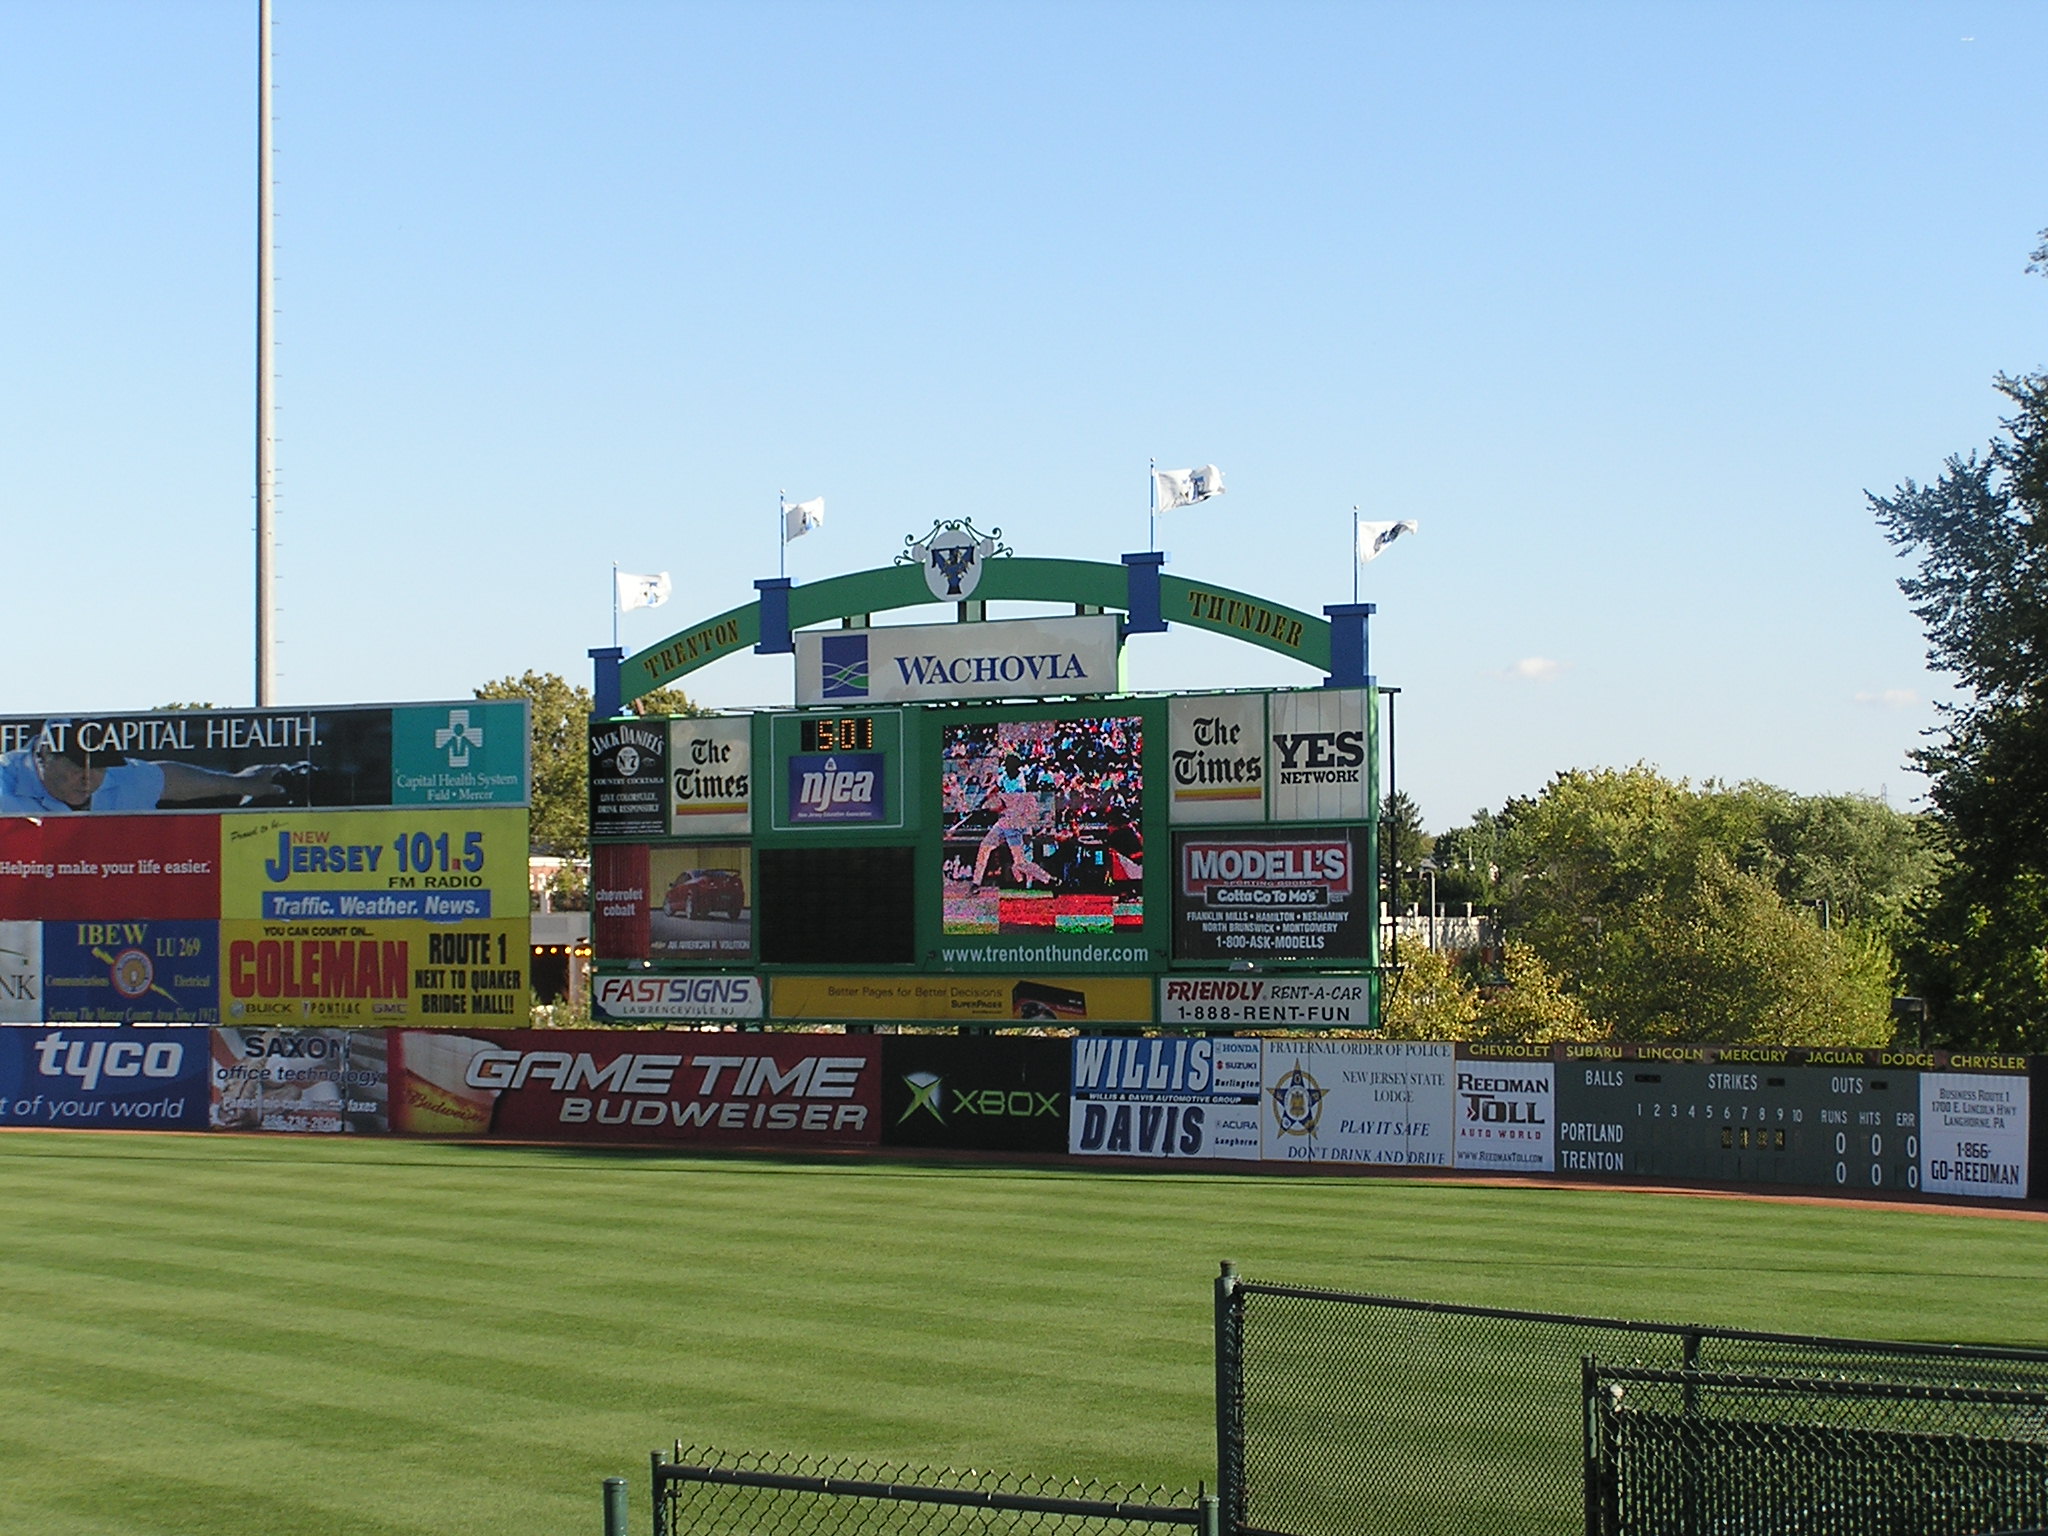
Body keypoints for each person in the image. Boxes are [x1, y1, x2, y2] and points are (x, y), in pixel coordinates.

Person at [0, 721, 303, 814]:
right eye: (77, 767)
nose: (88, 778)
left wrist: (239, 784)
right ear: (43, 757)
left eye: (99, 767)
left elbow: (164, 778)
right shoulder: (5, 782)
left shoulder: (113, 779)